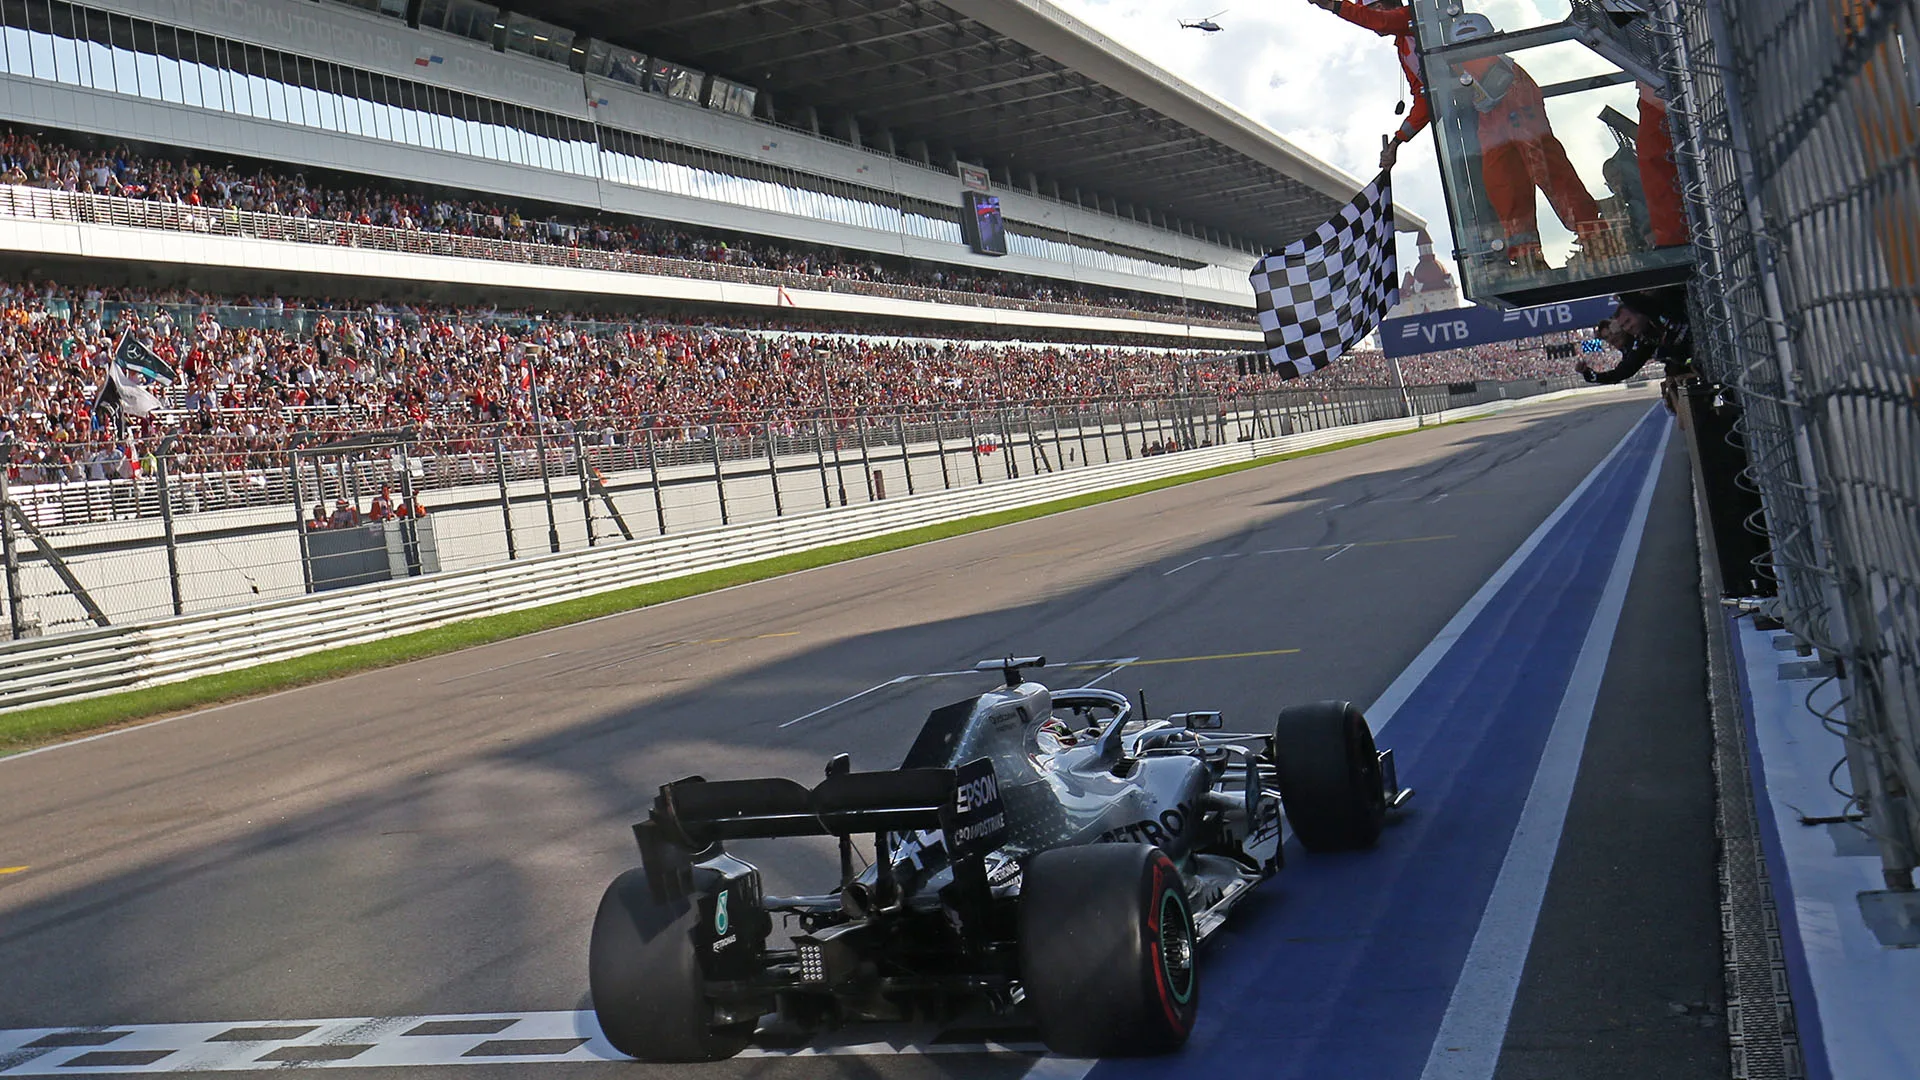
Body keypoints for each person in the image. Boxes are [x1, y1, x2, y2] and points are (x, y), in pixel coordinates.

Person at [1448, 14, 1622, 270]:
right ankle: (1547, 249)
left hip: (1505, 113)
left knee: (1537, 173)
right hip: (1497, 117)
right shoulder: (1496, 81)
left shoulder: (1498, 82)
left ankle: (1586, 241)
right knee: (1516, 179)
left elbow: (1544, 171)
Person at [1305, 0, 1428, 169]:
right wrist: (1396, 142)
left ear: (1378, 7)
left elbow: (1381, 21)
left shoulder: (1416, 17)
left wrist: (1333, 5)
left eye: (1368, 13)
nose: (1371, 26)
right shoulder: (1405, 46)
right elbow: (1425, 100)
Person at [1578, 286, 1691, 384]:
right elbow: (1625, 370)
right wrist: (1589, 374)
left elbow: (1634, 299)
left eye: (1628, 321)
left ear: (1640, 312)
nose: (1628, 327)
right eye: (1623, 326)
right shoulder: (1645, 341)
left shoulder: (1655, 309)